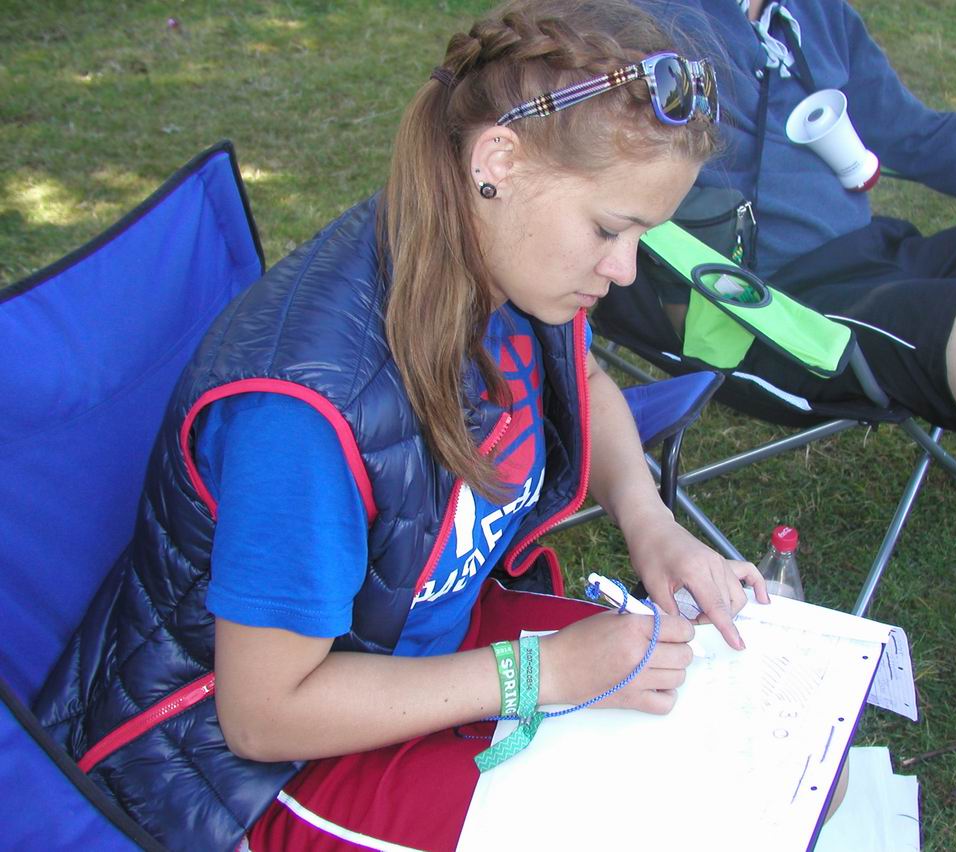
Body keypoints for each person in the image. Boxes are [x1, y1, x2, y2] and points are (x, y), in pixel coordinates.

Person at [32, 2, 775, 849]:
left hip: (423, 658)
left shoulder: (498, 255)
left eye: (644, 233)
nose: (625, 268)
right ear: (498, 161)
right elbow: (263, 716)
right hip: (245, 777)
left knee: (723, 757)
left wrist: (651, 525)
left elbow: (587, 377)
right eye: (610, 228)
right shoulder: (306, 416)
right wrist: (541, 672)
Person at [640, 0, 956, 671]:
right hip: (771, 309)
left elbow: (913, 132)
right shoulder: (641, 22)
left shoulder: (812, 12)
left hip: (876, 257)